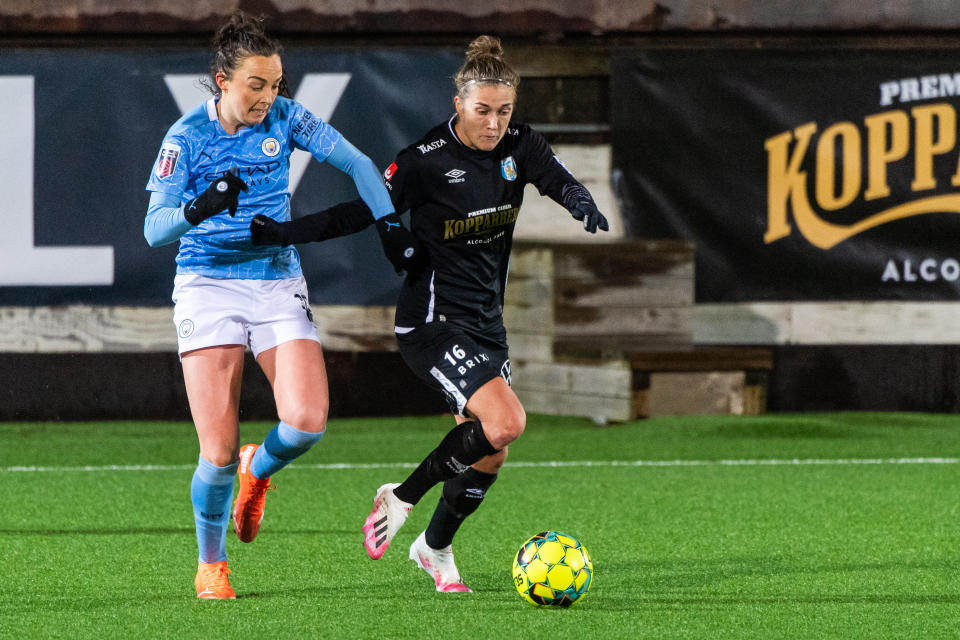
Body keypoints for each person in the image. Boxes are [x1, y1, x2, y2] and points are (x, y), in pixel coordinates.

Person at [250, 35, 608, 592]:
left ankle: (434, 549)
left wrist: (579, 199)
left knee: (491, 452)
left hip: (487, 322)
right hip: (432, 323)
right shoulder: (426, 161)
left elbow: (556, 176)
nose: (493, 124)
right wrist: (286, 233)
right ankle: (401, 496)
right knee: (507, 421)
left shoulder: (520, 145)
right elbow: (360, 210)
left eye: (504, 111)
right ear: (459, 104)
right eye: (482, 111)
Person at [144, 11, 403, 599]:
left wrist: (388, 224)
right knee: (216, 449)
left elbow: (360, 164)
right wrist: (202, 206)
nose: (268, 96)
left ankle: (257, 472)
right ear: (222, 79)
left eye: (276, 83)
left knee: (308, 422)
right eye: (256, 84)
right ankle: (211, 563)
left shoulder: (287, 118)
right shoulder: (184, 138)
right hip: (207, 284)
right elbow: (154, 230)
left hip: (275, 278)